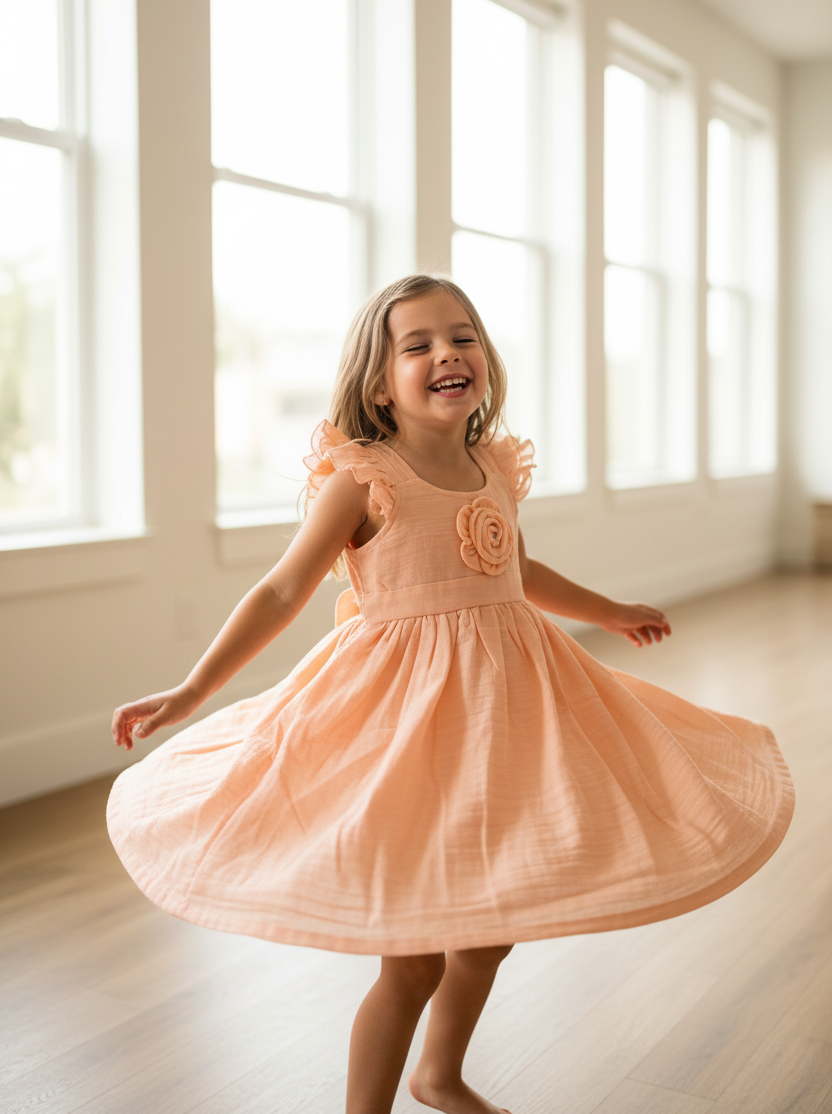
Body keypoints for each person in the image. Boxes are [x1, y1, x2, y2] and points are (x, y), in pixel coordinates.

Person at [109, 274, 793, 1114]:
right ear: (379, 382)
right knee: (414, 956)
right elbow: (283, 591)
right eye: (419, 344)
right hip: (403, 722)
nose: (447, 353)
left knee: (490, 928)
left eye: (462, 335)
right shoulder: (363, 479)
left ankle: (439, 1076)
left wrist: (606, 610)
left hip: (506, 710)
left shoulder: (493, 465)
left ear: (485, 357)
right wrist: (190, 689)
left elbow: (515, 565)